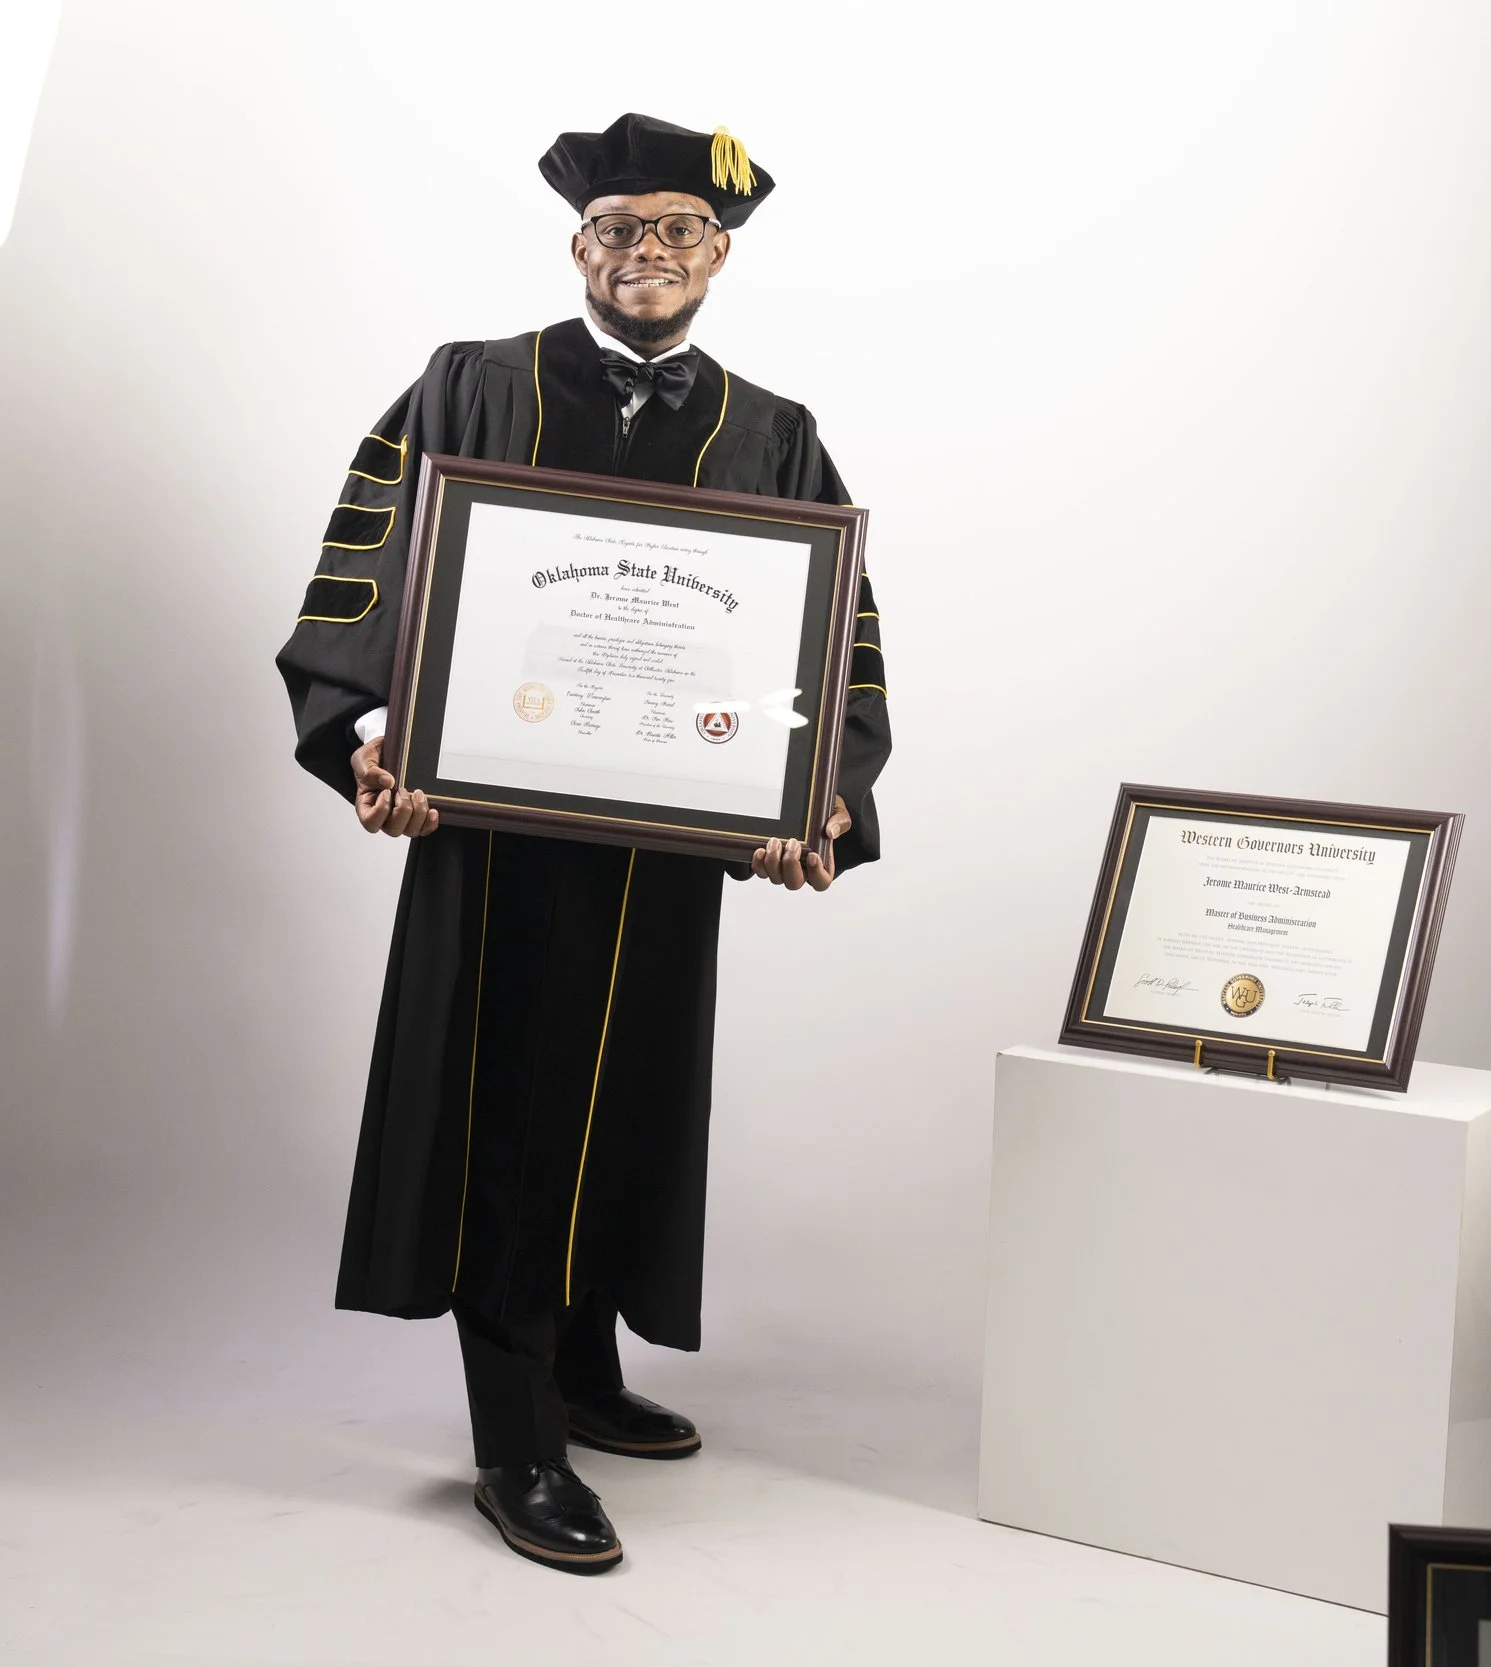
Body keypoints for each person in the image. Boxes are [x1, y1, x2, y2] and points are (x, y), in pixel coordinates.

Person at [275, 113, 891, 1574]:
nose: (648, 253)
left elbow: (835, 626)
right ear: (580, 246)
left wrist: (826, 793)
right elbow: (367, 553)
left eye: (679, 228)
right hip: (490, 838)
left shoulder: (772, 426)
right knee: (512, 1103)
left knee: (631, 1091)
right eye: (621, 228)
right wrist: (362, 737)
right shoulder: (472, 384)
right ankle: (516, 1436)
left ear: (719, 253)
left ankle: (586, 1364)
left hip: (668, 839)